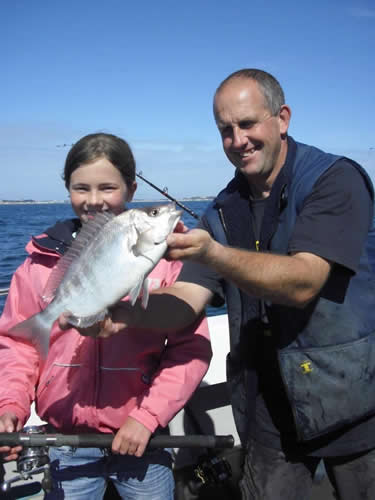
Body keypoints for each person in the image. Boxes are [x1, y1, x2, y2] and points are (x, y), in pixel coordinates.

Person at [83, 71, 375, 500]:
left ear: (282, 119)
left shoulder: (334, 180)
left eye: (247, 124)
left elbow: (304, 281)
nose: (238, 140)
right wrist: (127, 314)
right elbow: (187, 300)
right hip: (267, 410)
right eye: (226, 130)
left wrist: (214, 253)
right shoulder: (221, 211)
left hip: (354, 404)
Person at [0, 132, 212, 499]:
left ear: (130, 189)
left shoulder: (167, 263)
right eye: (81, 188)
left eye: (107, 188)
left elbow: (188, 348)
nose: (94, 200)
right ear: (66, 188)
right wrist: (10, 404)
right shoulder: (37, 266)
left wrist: (147, 418)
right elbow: (19, 349)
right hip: (66, 442)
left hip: (142, 441)